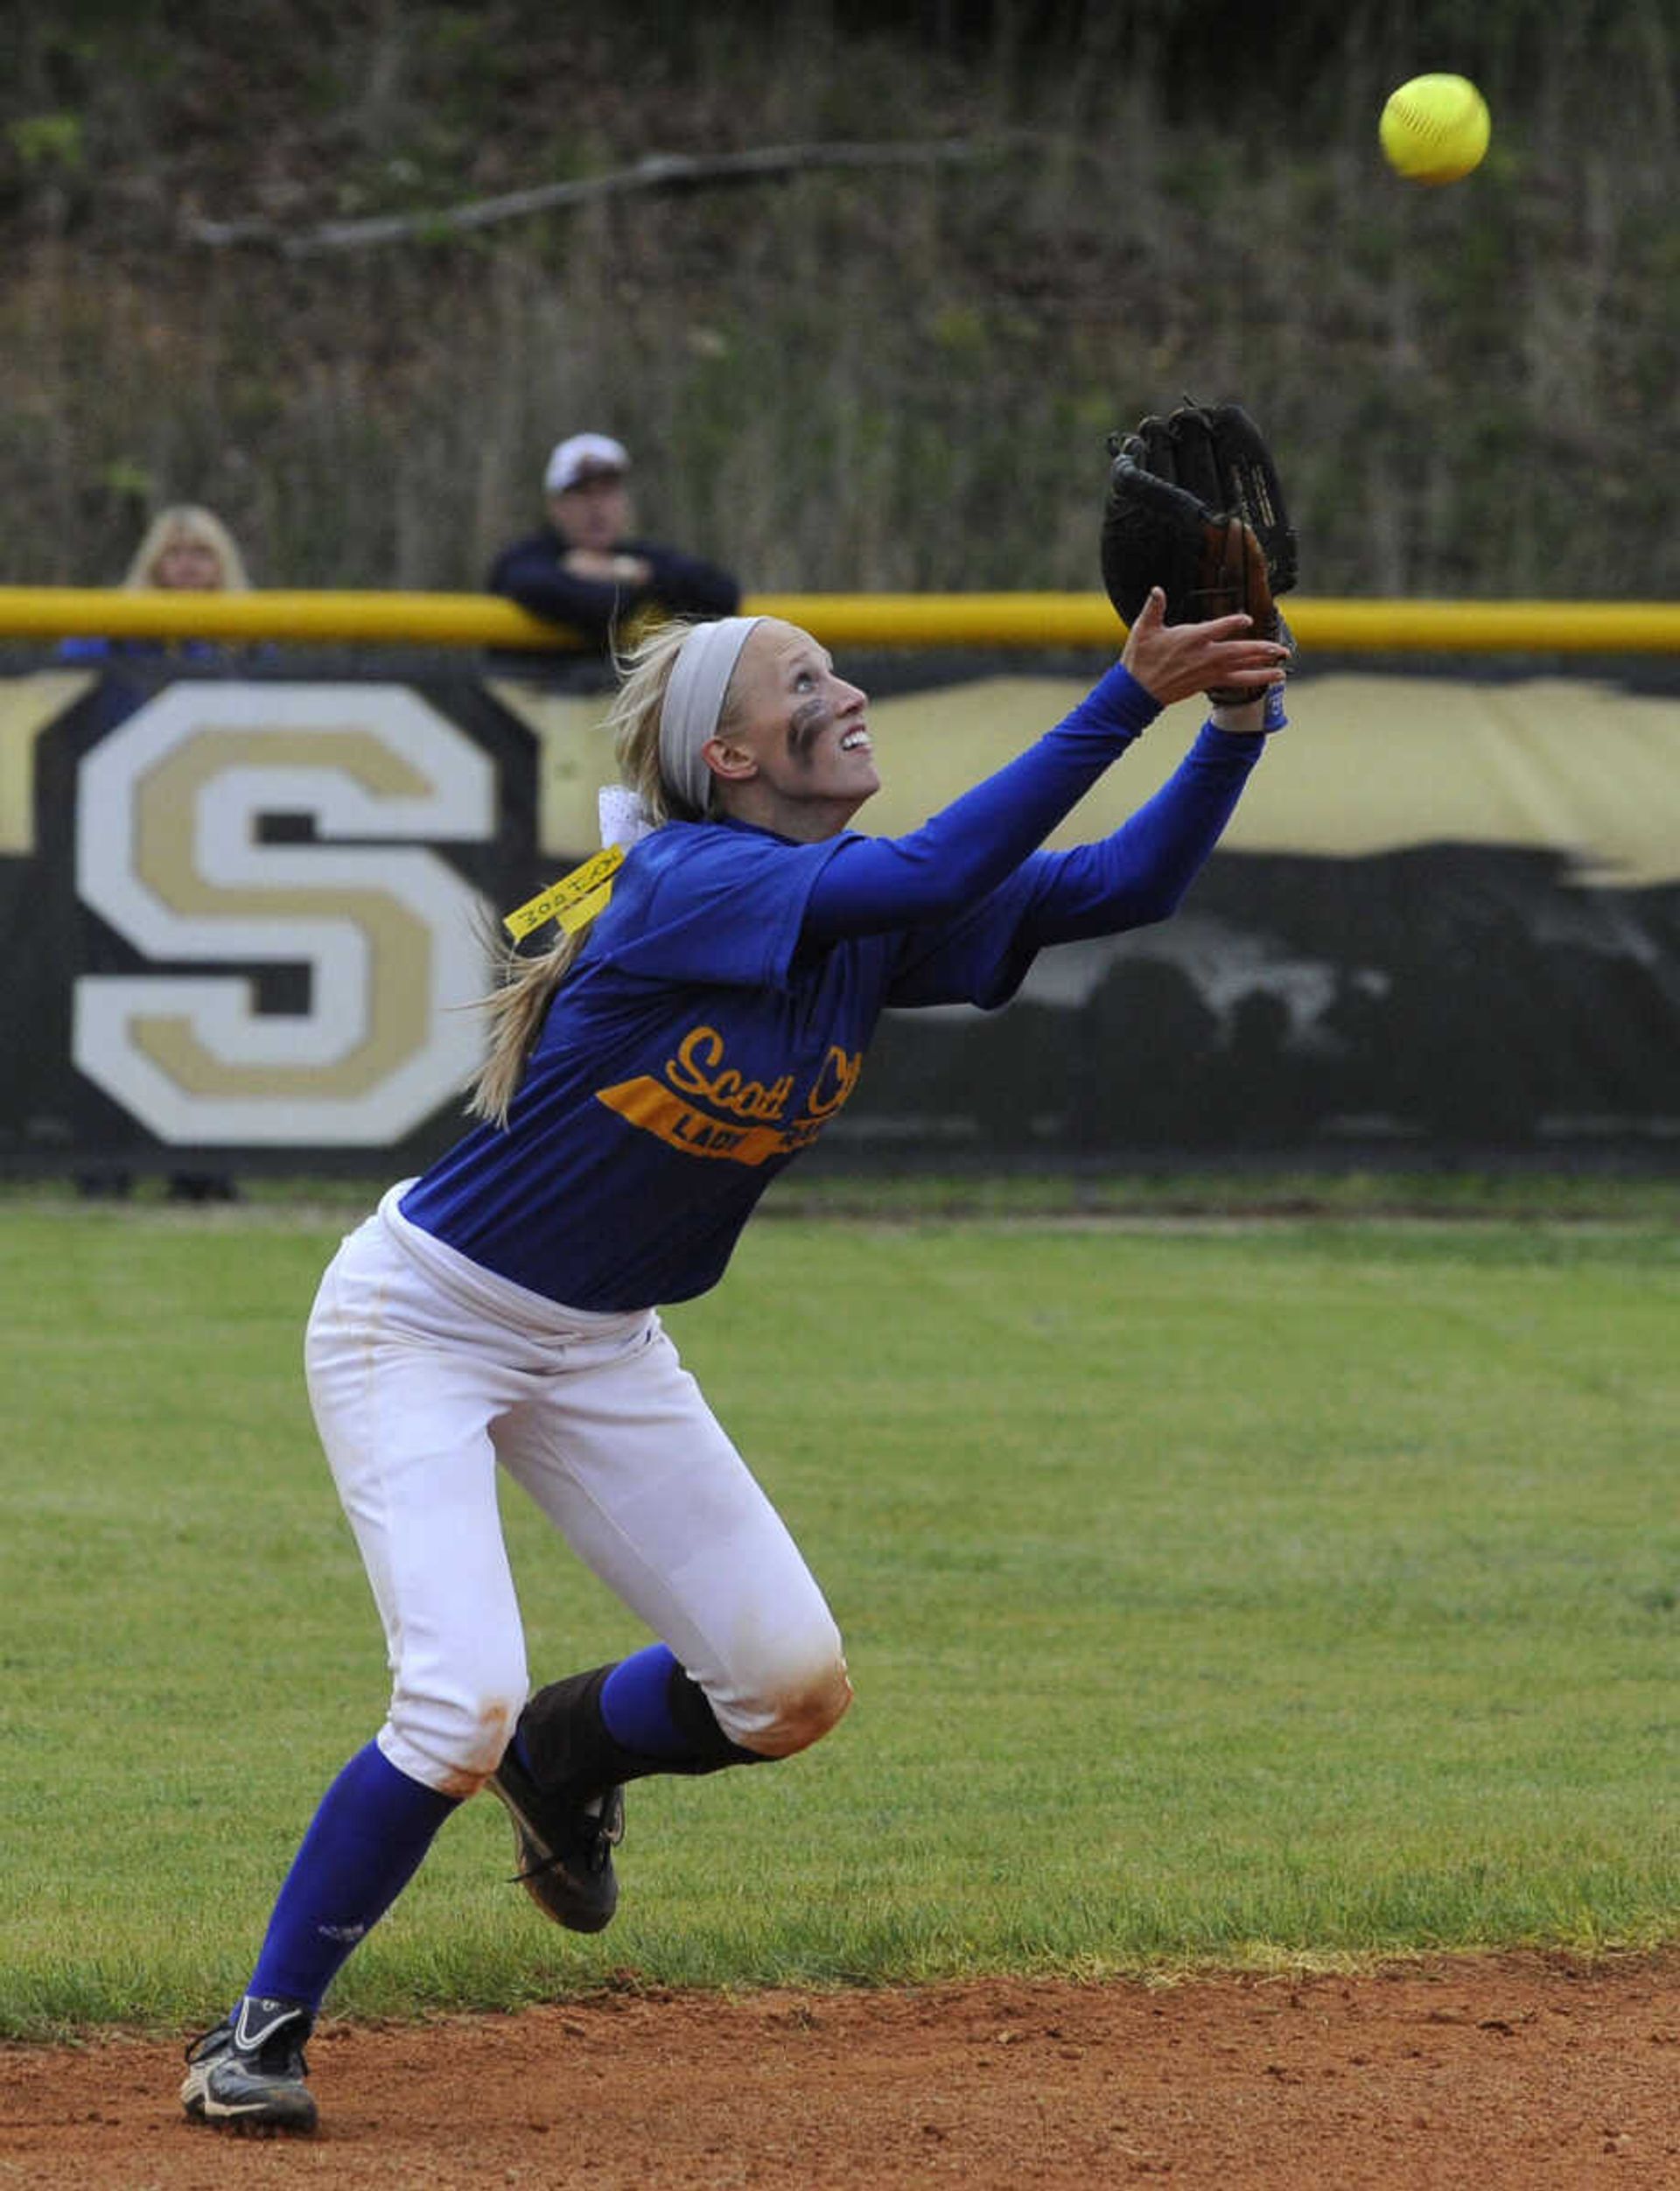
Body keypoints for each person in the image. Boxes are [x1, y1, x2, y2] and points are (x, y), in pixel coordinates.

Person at [180, 592, 1291, 2138]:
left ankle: (570, 1753)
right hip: (424, 1318)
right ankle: (256, 2035)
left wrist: (1235, 726)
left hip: (603, 1344)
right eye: (805, 682)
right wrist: (1122, 696)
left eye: (836, 672)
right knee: (455, 1701)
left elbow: (1122, 883)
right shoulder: (689, 875)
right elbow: (936, 863)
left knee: (786, 1686)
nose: (845, 695)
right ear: (730, 751)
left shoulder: (854, 908)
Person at [62, 506, 253, 1202]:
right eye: (173, 556)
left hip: (221, 853)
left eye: (201, 555)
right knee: (120, 1007)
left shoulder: (248, 644)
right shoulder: (119, 636)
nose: (187, 570)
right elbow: (59, 665)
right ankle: (105, 1168)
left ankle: (202, 1170)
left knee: (213, 1011)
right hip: (125, 848)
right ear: (151, 567)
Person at [486, 433, 741, 656]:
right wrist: (629, 585)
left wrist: (630, 573)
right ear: (555, 506)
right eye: (582, 493)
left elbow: (723, 594)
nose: (596, 507)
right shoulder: (525, 560)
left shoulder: (642, 559)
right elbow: (599, 610)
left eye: (607, 492)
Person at [57, 504, 252, 666]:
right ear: (154, 563)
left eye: (201, 552)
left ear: (222, 564)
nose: (187, 564)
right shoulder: (114, 634)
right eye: (173, 552)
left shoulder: (249, 640)